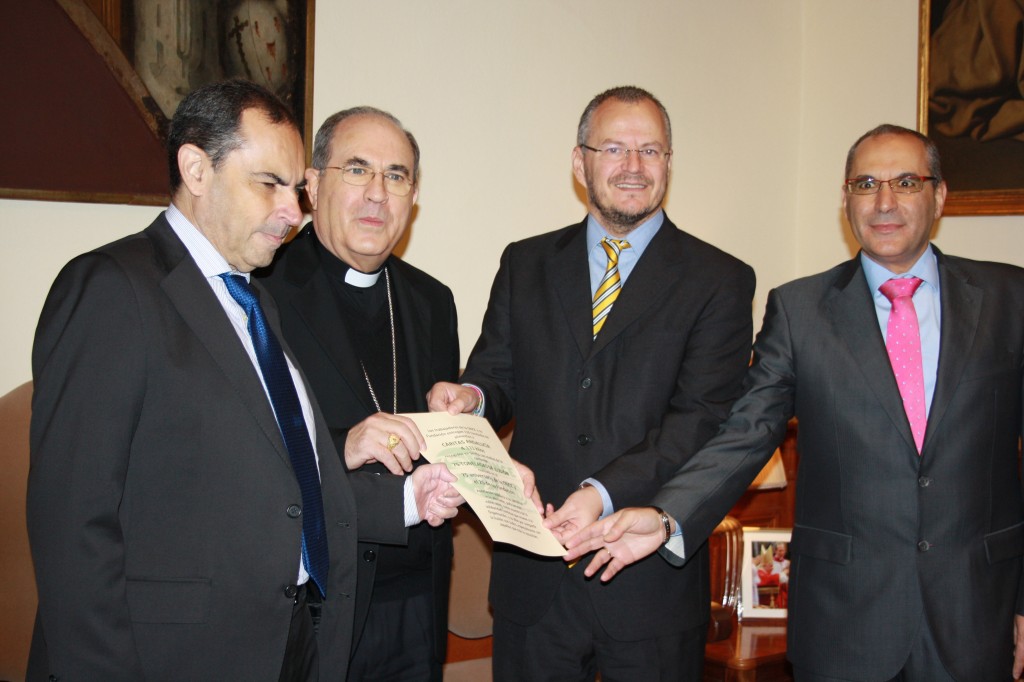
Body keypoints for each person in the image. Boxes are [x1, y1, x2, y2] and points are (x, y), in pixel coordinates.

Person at [25, 80, 461, 682]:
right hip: (171, 654)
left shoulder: (253, 305)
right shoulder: (112, 287)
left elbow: (284, 483)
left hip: (283, 644)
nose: (292, 211)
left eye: (294, 189)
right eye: (270, 185)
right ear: (196, 169)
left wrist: (412, 498)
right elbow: (73, 524)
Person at [563, 124, 1024, 681]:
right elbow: (744, 433)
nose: (884, 202)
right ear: (845, 200)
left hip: (977, 615)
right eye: (864, 184)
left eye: (905, 182)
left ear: (939, 194)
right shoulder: (802, 311)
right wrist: (667, 517)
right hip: (847, 625)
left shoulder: (1009, 299)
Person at [428, 85, 755, 681]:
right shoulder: (525, 263)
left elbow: (701, 421)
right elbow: (495, 374)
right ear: (580, 163)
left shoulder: (720, 279)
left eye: (650, 151)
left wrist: (600, 491)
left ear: (668, 164)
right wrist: (469, 398)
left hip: (649, 587)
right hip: (534, 576)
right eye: (614, 149)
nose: (633, 166)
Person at [256, 106, 462, 680]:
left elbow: (442, 439)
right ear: (315, 184)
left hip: (417, 602)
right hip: (315, 602)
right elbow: (246, 454)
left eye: (396, 176)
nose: (378, 194)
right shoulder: (263, 287)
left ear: (412, 196)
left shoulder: (430, 301)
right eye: (357, 170)